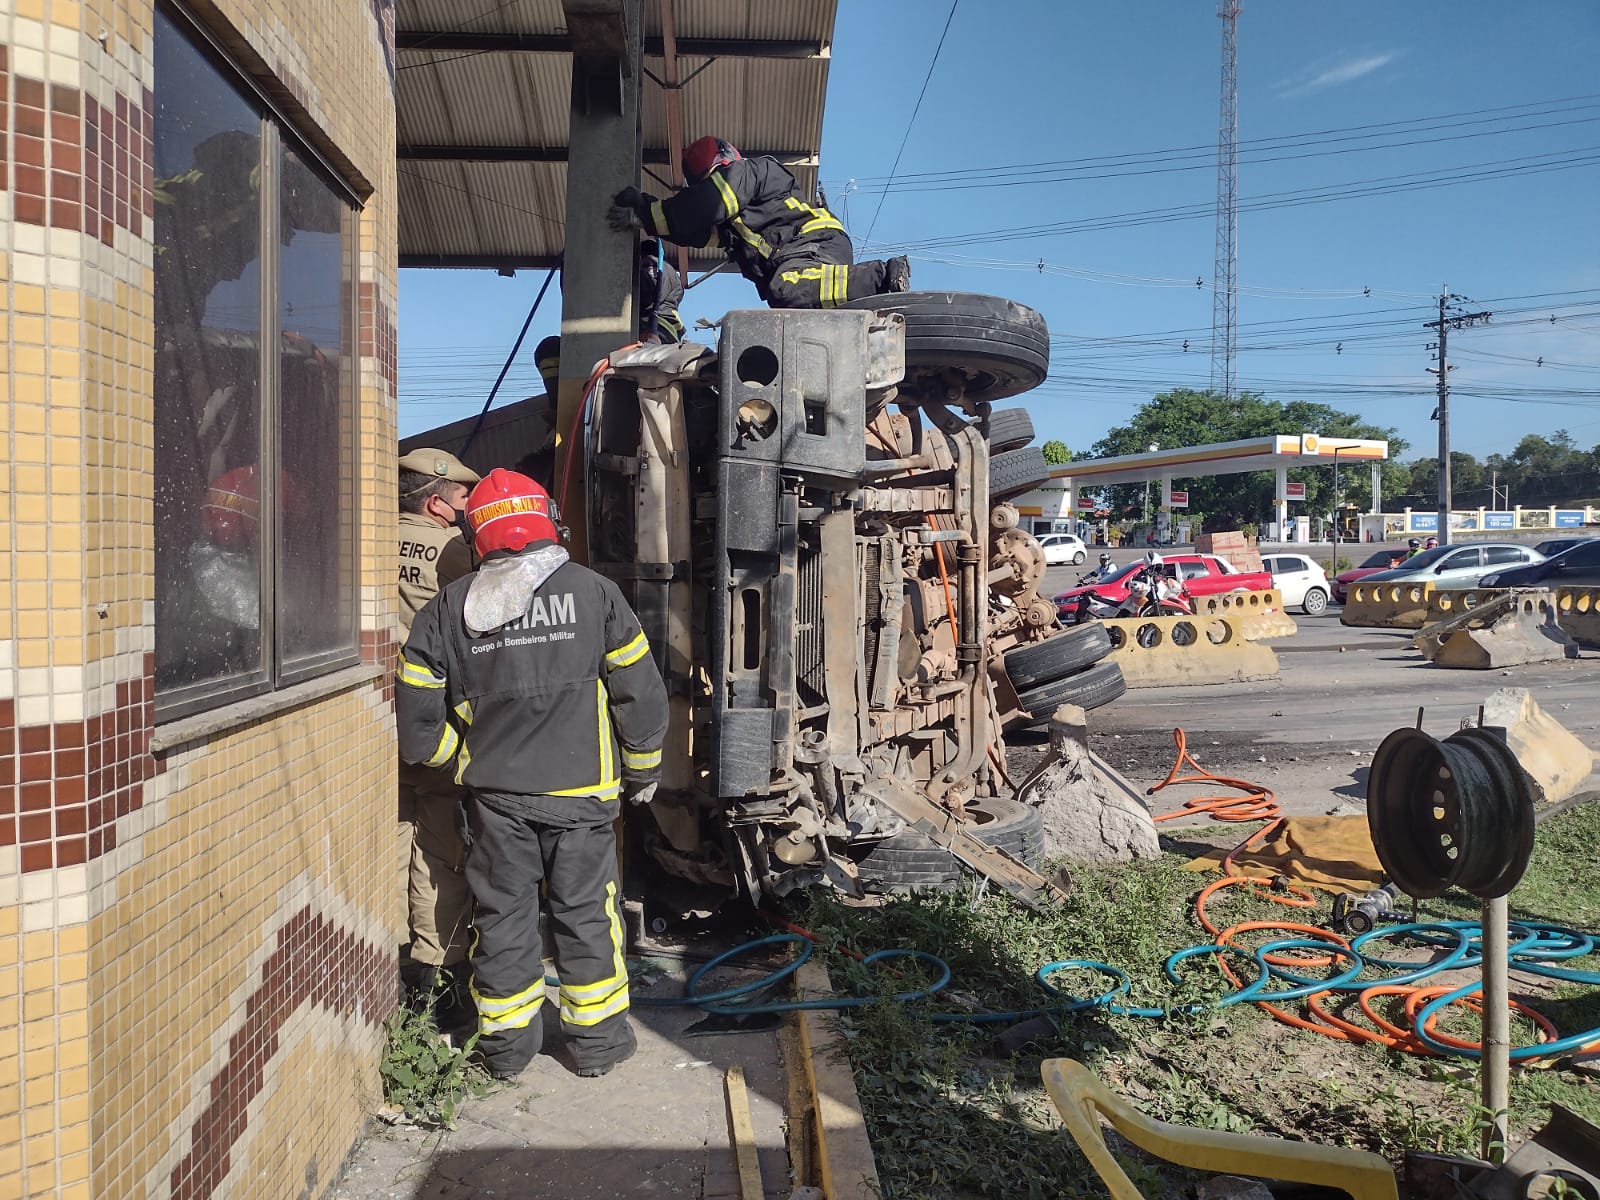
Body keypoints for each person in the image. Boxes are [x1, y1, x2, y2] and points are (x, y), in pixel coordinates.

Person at [396, 469, 669, 1080]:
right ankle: (597, 1044)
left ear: (477, 534)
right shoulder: (595, 593)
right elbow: (640, 695)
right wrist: (643, 767)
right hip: (583, 798)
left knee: (503, 916)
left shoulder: (448, 608)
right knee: (584, 913)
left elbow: (417, 724)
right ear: (546, 520)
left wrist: (454, 759)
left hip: (494, 802)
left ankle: (506, 1050)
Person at [607, 136, 911, 309]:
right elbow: (695, 230)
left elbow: (704, 206)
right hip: (801, 254)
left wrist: (646, 211)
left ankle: (883, 276)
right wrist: (642, 214)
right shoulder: (733, 224)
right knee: (788, 310)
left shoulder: (748, 173)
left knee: (786, 289)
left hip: (812, 244)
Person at [396, 448, 482, 1027]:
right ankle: (438, 977)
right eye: (462, 499)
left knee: (394, 837)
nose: (471, 509)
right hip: (433, 726)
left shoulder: (354, 537)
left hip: (371, 723)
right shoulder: (452, 551)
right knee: (441, 848)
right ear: (435, 503)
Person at [638, 239, 684, 343]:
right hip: (670, 330)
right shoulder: (673, 273)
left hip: (653, 326)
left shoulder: (650, 264)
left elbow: (648, 291)